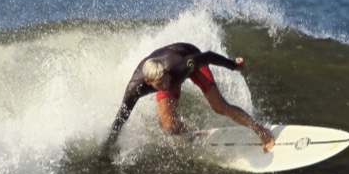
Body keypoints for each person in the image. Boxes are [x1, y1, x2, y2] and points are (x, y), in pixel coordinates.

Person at [103, 42, 275, 153]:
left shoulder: (181, 66)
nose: (166, 86)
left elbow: (208, 56)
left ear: (165, 71)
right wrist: (108, 145)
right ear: (148, 81)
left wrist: (234, 65)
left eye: (166, 80)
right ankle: (194, 134)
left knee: (220, 107)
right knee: (169, 126)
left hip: (188, 60)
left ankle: (261, 130)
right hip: (167, 72)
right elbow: (121, 117)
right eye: (160, 85)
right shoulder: (136, 88)